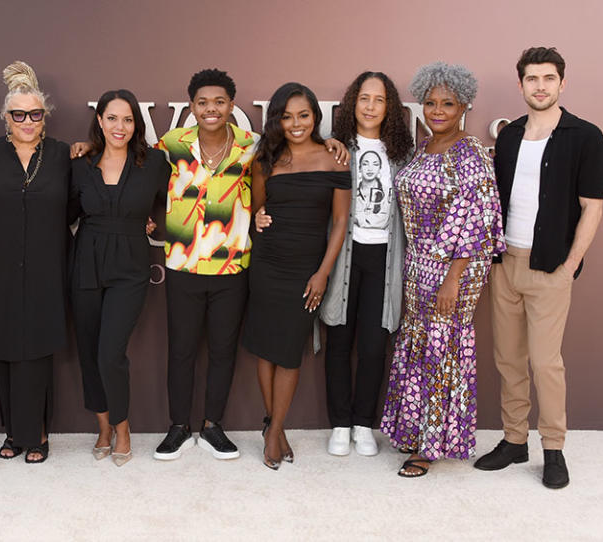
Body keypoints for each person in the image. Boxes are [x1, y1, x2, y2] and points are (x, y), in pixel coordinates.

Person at [148, 69, 348, 462]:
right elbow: (134, 167)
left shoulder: (252, 146)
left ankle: (213, 426)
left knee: (224, 351)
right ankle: (177, 427)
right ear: (191, 107)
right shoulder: (171, 143)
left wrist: (333, 144)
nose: (211, 109)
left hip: (234, 265)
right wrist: (86, 146)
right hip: (183, 263)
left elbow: (275, 192)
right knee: (181, 350)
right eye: (203, 102)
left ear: (231, 106)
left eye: (219, 102)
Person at [474, 47, 603, 489]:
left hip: (550, 267)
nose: (540, 86)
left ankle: (553, 449)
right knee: (508, 359)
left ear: (562, 83)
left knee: (546, 362)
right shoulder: (510, 136)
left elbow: (592, 208)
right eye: (532, 79)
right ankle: (515, 441)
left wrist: (570, 264)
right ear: (521, 85)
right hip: (505, 263)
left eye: (549, 78)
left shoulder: (586, 137)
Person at [379, 62, 505, 477]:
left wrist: (453, 277)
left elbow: (479, 222)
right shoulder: (422, 148)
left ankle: (430, 446)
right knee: (419, 346)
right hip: (418, 265)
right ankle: (414, 432)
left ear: (464, 106)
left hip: (454, 269)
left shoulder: (470, 156)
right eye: (430, 103)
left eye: (447, 104)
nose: (437, 111)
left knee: (442, 348)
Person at [243, 82, 351, 470]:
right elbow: (258, 212)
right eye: (287, 116)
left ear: (316, 117)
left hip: (306, 268)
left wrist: (323, 272)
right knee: (265, 347)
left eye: (303, 115)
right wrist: (258, 218)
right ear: (276, 120)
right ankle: (275, 428)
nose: (295, 123)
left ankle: (273, 430)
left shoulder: (335, 159)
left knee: (289, 353)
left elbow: (340, 222)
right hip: (267, 263)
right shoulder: (265, 160)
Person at [0, 61, 74, 464]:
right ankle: (13, 433)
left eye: (36, 114)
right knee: (3, 347)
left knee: (37, 349)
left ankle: (38, 433)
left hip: (46, 265)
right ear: (6, 118)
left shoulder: (63, 155)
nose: (28, 121)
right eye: (19, 114)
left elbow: (80, 204)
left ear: (44, 116)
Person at [71, 89, 170, 466]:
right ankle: (103, 427)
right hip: (86, 264)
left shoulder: (155, 162)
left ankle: (122, 426)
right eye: (112, 118)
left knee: (111, 353)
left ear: (136, 124)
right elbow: (60, 211)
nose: (120, 126)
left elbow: (183, 196)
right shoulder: (80, 163)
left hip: (130, 266)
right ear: (99, 121)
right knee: (89, 353)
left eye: (127, 119)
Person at [318, 72, 415, 457]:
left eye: (378, 99)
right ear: (352, 104)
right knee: (339, 340)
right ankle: (340, 424)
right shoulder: (336, 149)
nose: (370, 106)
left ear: (389, 107)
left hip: (384, 258)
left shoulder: (402, 153)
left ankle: (363, 424)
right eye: (363, 98)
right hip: (345, 255)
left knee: (375, 345)